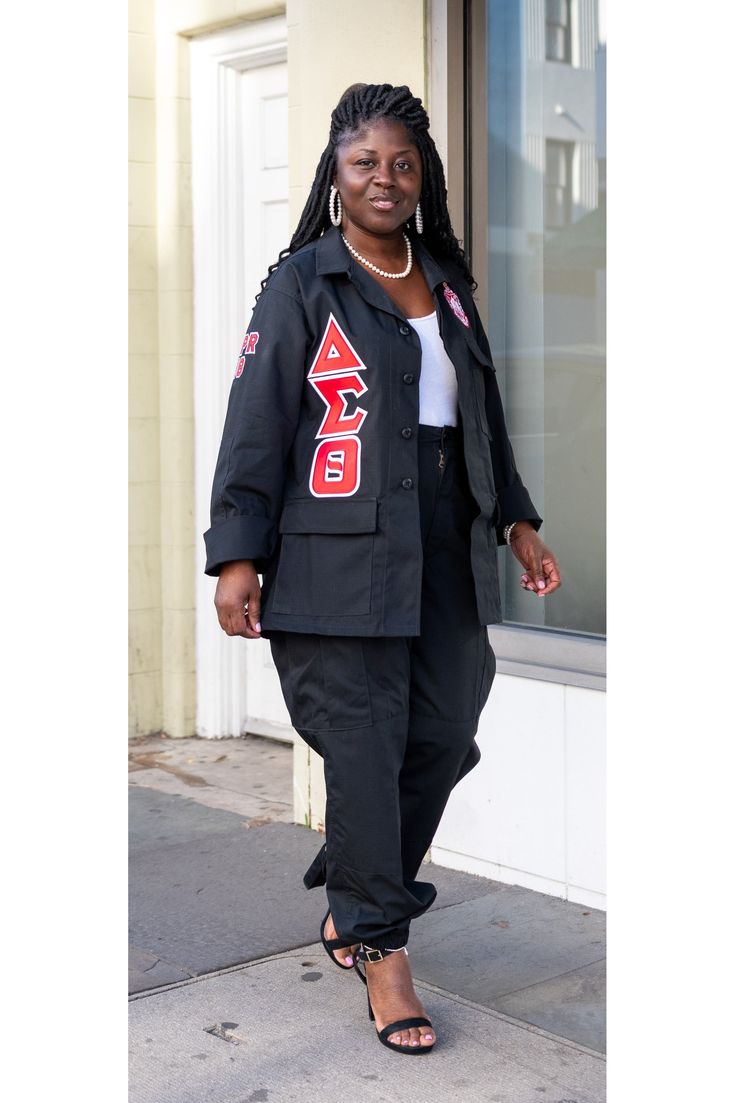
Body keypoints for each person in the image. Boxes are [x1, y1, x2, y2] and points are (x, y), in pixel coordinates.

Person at [204, 83, 561, 1055]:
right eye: (366, 162)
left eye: (404, 163)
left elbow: (481, 415)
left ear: (423, 177)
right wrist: (237, 554)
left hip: (445, 541)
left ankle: (360, 882)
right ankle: (381, 948)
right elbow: (258, 423)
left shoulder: (445, 280)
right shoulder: (303, 284)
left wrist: (519, 518)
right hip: (330, 553)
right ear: (336, 173)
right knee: (362, 749)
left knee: (442, 732)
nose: (386, 179)